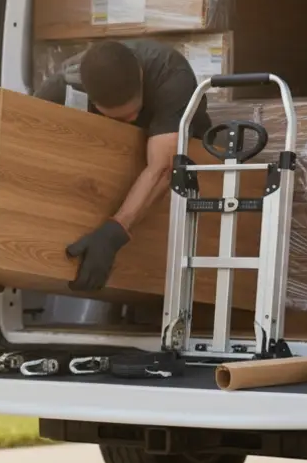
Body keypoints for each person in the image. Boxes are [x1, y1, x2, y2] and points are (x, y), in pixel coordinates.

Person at [33, 39, 212, 292]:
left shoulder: (170, 74)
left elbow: (164, 168)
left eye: (134, 112)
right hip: (111, 172)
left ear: (140, 74)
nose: (133, 120)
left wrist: (114, 232)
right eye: (119, 118)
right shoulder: (67, 83)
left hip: (178, 154)